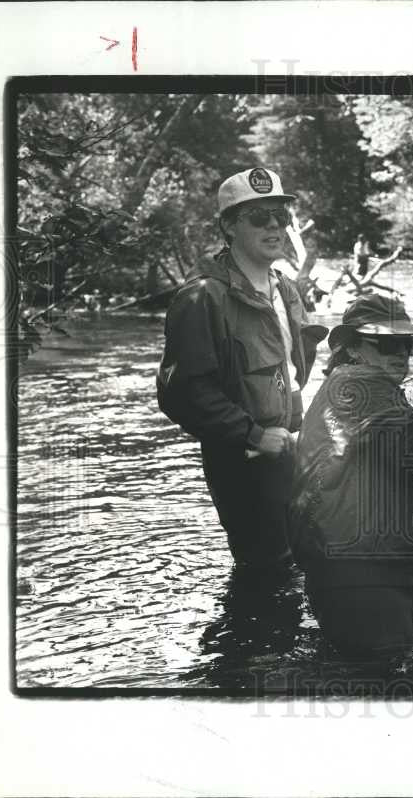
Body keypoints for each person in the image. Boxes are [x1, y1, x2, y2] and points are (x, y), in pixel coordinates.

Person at [157, 167, 329, 571]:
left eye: (281, 217)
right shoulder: (202, 298)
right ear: (229, 227)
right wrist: (252, 434)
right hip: (243, 463)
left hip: (291, 450)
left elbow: (295, 369)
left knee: (306, 560)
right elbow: (181, 392)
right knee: (268, 573)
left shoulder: (286, 288)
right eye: (258, 217)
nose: (274, 226)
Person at [288, 293, 413, 657]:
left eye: (409, 344)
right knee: (384, 687)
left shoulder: (345, 386)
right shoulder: (365, 385)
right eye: (389, 344)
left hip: (350, 569)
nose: (402, 355)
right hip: (363, 574)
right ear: (353, 346)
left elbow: (384, 440)